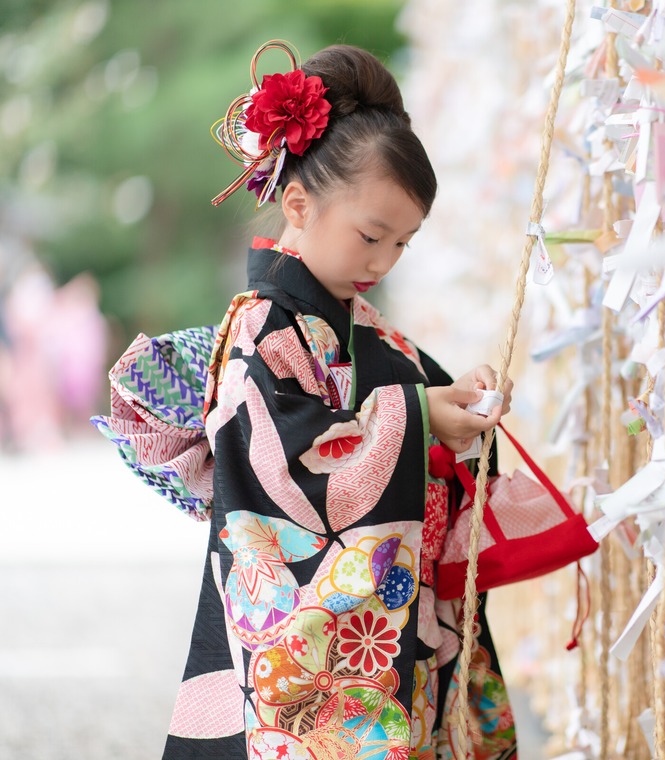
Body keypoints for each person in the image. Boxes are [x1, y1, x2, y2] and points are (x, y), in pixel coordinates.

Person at [162, 41, 518, 759]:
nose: (383, 262)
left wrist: (458, 408)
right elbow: (286, 468)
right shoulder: (262, 330)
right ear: (298, 203)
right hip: (306, 640)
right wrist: (419, 419)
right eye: (372, 236)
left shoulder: (363, 326)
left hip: (395, 617)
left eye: (403, 244)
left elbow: (418, 404)